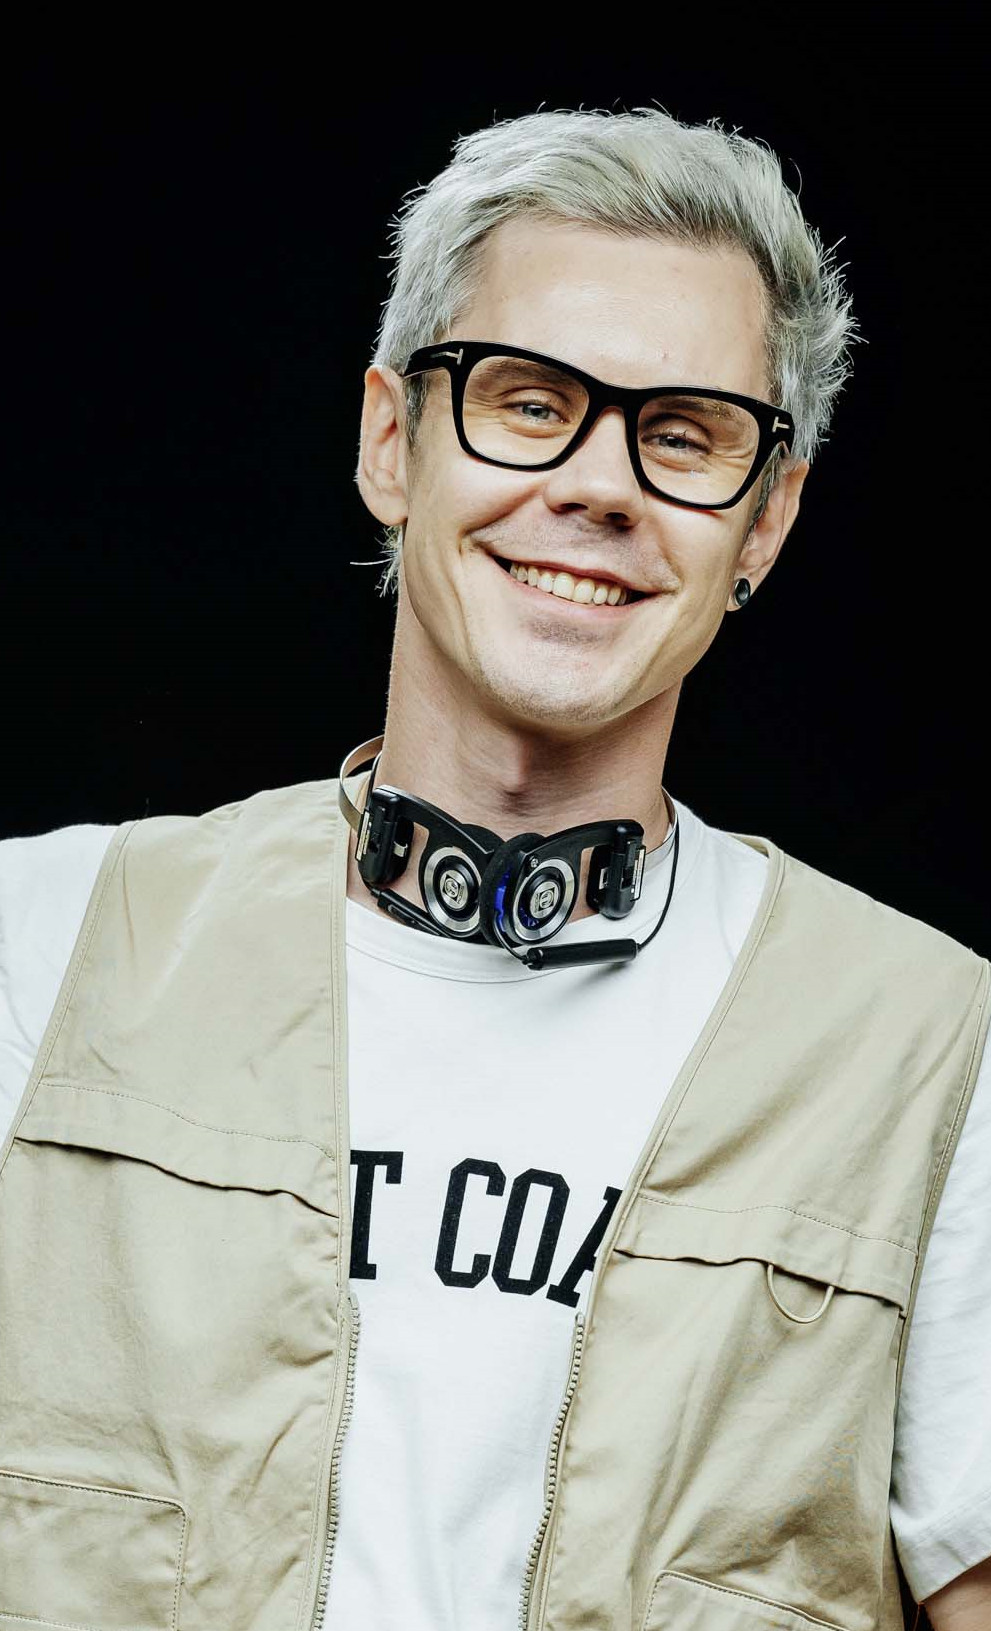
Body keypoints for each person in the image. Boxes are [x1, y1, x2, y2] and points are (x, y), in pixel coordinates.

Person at [0, 107, 988, 1631]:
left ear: (768, 521)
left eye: (685, 434)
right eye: (530, 402)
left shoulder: (937, 1054)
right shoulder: (41, 945)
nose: (601, 486)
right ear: (391, 443)